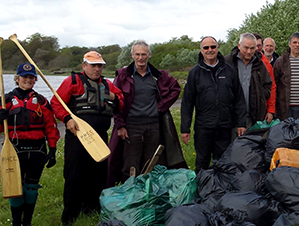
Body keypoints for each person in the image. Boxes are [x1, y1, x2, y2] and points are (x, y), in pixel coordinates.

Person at [50, 51, 124, 226]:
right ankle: (69, 216)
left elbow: (121, 102)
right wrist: (67, 119)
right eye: (93, 65)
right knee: (74, 175)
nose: (97, 69)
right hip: (77, 137)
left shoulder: (108, 85)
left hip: (99, 136)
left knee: (97, 176)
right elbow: (56, 103)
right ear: (84, 66)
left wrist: (115, 99)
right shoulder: (72, 82)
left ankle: (92, 209)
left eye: (99, 66)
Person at [0, 63, 60, 226]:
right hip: (15, 149)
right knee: (15, 187)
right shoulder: (6, 100)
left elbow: (51, 126)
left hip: (37, 150)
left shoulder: (42, 101)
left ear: (35, 80)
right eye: (24, 77)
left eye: (31, 77)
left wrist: (52, 149)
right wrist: (1, 118)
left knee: (31, 188)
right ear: (17, 78)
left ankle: (27, 222)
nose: (27, 80)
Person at [108, 40, 186, 186]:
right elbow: (115, 102)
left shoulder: (158, 76)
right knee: (130, 163)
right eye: (137, 54)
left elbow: (176, 89)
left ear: (149, 55)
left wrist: (160, 107)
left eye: (144, 54)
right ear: (132, 55)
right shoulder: (123, 76)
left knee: (151, 162)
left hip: (153, 126)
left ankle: (147, 195)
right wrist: (120, 126)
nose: (141, 58)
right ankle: (129, 195)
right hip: (132, 127)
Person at [180, 36, 246, 172]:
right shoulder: (194, 73)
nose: (210, 50)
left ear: (217, 48)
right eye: (206, 47)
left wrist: (241, 123)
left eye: (213, 47)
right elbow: (187, 103)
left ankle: (221, 190)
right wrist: (185, 128)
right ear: (201, 50)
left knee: (223, 162)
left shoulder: (229, 71)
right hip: (204, 126)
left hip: (225, 126)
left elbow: (239, 98)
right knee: (202, 162)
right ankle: (202, 189)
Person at [224, 33, 274, 128]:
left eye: (252, 48)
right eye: (246, 48)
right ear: (239, 46)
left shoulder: (260, 64)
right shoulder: (228, 62)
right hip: (230, 117)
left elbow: (268, 86)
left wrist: (260, 97)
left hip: (253, 117)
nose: (249, 51)